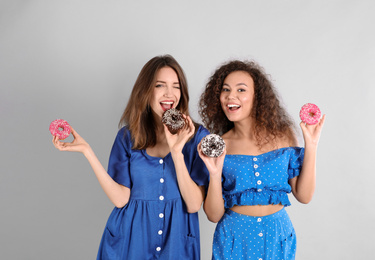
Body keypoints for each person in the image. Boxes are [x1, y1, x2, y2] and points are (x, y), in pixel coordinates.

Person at [52, 55, 209, 259]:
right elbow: (120, 199)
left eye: (176, 86)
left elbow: (194, 204)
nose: (169, 94)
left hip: (177, 243)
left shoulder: (197, 136)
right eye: (160, 85)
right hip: (131, 241)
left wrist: (177, 152)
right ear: (146, 91)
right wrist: (87, 152)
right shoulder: (128, 137)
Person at [198, 60, 325, 260]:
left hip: (277, 237)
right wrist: (214, 174)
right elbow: (213, 215)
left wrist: (312, 145)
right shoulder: (219, 145)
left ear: (257, 97)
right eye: (226, 90)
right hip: (235, 239)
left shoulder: (283, 137)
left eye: (241, 89)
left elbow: (304, 195)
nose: (231, 96)